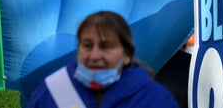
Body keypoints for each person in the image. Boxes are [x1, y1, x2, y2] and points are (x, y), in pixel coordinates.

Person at [28, 10, 179, 108]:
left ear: (127, 55)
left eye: (105, 46)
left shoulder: (153, 99)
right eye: (87, 45)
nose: (94, 56)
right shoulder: (52, 90)